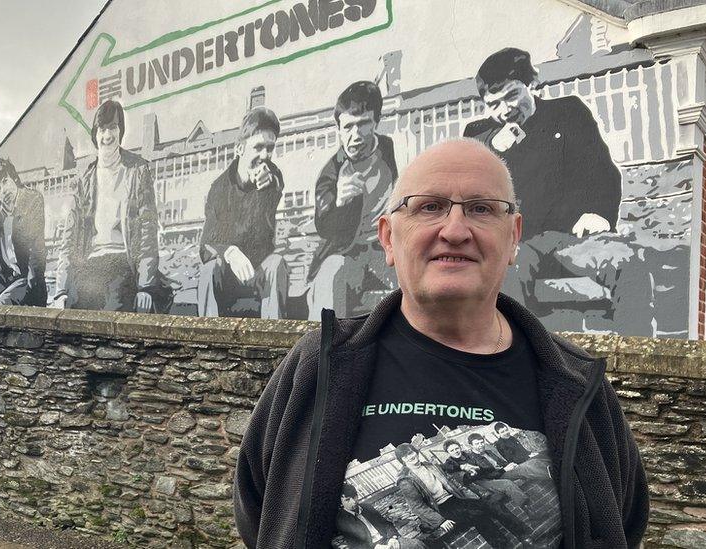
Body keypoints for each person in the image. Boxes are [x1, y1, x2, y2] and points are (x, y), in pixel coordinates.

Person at [233, 139, 648, 548]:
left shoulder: (576, 384)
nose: (454, 230)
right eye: (429, 206)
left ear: (514, 237)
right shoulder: (319, 365)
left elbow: (619, 522)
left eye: (481, 209)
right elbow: (263, 512)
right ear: (389, 238)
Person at [462, 47, 623, 312]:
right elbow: (464, 179)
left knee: (630, 263)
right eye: (494, 104)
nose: (506, 109)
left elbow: (602, 172)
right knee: (510, 275)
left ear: (531, 84)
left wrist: (598, 213)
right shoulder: (479, 133)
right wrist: (493, 145)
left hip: (573, 237)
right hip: (518, 246)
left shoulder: (567, 112)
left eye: (512, 94)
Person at [51, 100, 171, 313]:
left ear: (120, 131)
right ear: (95, 134)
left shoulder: (137, 170)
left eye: (113, 128)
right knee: (71, 307)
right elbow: (69, 239)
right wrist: (60, 291)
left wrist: (145, 286)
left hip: (123, 261)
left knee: (111, 306)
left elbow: (147, 232)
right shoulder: (85, 181)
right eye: (102, 129)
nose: (107, 135)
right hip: (91, 263)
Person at [308, 81, 399, 319]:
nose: (355, 135)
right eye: (347, 127)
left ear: (376, 122)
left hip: (386, 252)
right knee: (331, 272)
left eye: (363, 124)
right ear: (338, 129)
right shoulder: (332, 171)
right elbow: (323, 224)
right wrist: (338, 201)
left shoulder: (389, 150)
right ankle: (321, 352)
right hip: (348, 255)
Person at [198, 106, 288, 319]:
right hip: (229, 276)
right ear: (239, 148)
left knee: (277, 265)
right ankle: (209, 344)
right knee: (208, 271)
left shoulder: (273, 176)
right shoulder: (219, 189)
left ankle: (274, 344)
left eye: (270, 148)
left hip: (259, 272)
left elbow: (275, 188)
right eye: (257, 147)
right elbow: (205, 245)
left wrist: (267, 187)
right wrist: (230, 252)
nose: (265, 156)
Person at [394, 444, 532, 547]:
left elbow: (448, 471)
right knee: (478, 515)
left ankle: (525, 538)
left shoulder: (429, 465)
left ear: (416, 452)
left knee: (492, 504)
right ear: (402, 460)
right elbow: (417, 507)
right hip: (441, 509)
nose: (412, 457)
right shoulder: (405, 479)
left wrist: (462, 468)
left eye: (412, 453)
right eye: (406, 456)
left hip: (456, 499)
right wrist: (440, 521)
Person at [0, 157, 47, 306]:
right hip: (5, 276)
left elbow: (38, 249)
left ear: (14, 178)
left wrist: (32, 286)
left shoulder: (32, 200)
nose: (3, 191)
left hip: (26, 276)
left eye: (5, 181)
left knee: (3, 303)